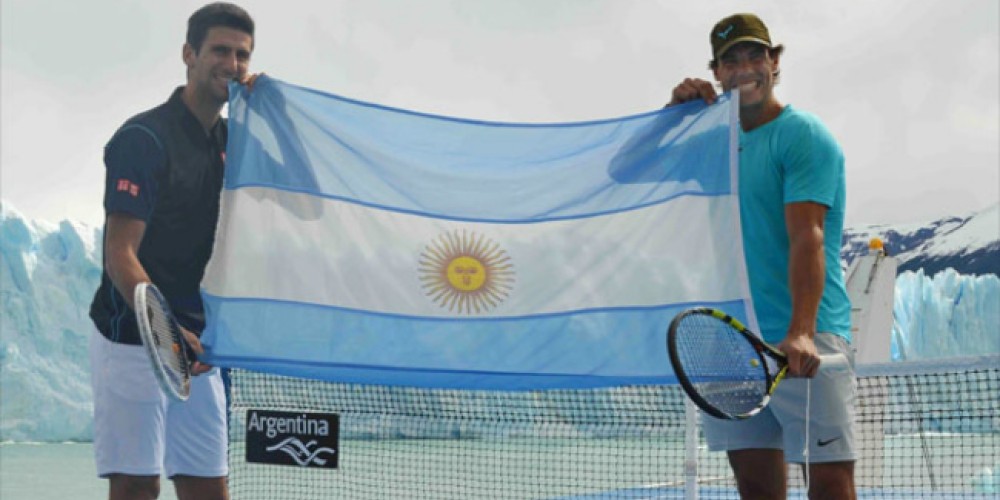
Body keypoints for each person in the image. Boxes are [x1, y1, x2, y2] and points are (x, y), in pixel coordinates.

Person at [666, 13, 856, 499]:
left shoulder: (801, 134)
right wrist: (672, 116)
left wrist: (801, 331)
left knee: (829, 482)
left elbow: (808, 235)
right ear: (716, 73)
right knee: (754, 486)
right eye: (731, 61)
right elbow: (623, 171)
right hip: (733, 341)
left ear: (774, 63)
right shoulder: (711, 144)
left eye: (755, 56)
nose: (744, 68)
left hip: (802, 339)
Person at [88, 3, 254, 499]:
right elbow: (120, 252)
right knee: (138, 486)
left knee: (208, 490)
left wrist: (274, 112)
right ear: (189, 54)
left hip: (199, 348)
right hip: (132, 338)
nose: (232, 64)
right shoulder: (143, 139)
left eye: (242, 55)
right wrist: (163, 328)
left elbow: (307, 204)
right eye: (220, 50)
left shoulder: (235, 143)